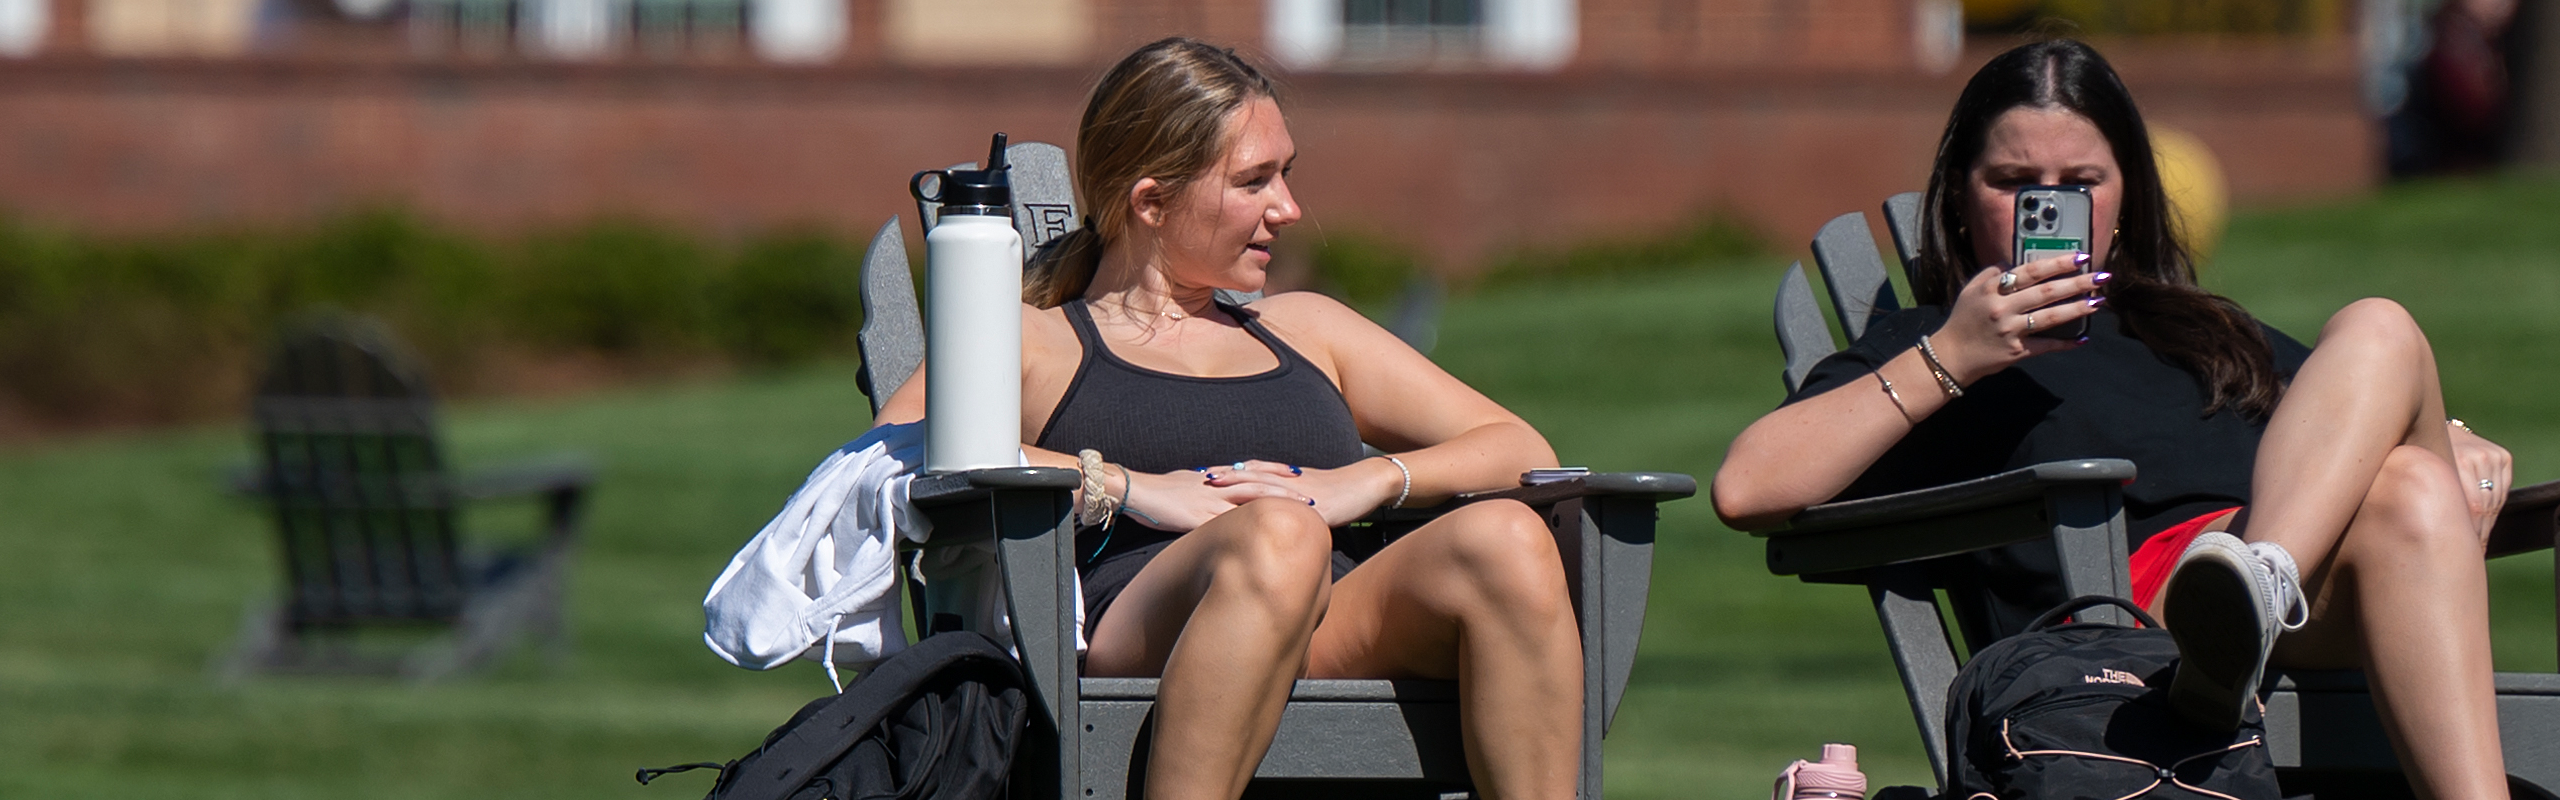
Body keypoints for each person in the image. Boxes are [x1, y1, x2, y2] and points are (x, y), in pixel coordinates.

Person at [1712, 39, 2514, 800]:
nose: (2051, 204)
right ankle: (2241, 597)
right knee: (2408, 464)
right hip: (2130, 622)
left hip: (2285, 596)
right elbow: (1747, 487)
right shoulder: (1931, 343)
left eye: (2081, 181)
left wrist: (2451, 435)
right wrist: (1956, 353)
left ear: (2127, 193)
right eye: (2013, 179)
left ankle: (2256, 588)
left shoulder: (2201, 330)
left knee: (2393, 384)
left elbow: (2356, 397)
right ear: (1958, 197)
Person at [873, 37, 1579, 800]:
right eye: (1254, 182)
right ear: (1152, 201)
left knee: (1508, 539)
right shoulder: (1039, 340)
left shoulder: (1307, 327)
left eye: (1286, 173)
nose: (1290, 208)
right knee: (1281, 533)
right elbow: (892, 456)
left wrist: (1364, 482)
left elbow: (1518, 446)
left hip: (1329, 618)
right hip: (1141, 630)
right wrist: (1126, 485)